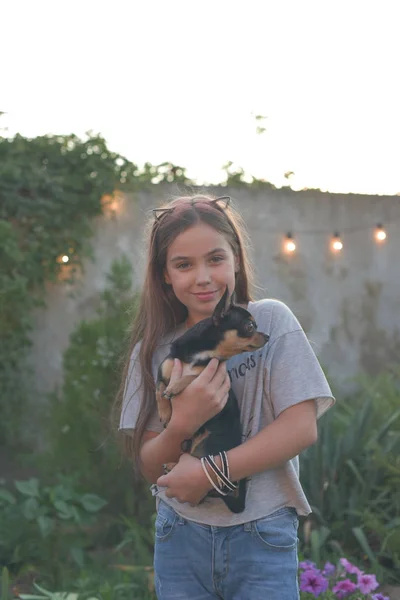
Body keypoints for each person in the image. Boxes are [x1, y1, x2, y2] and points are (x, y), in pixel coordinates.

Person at [117, 194, 335, 600]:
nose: (203, 277)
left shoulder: (268, 323)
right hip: (179, 535)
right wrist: (182, 422)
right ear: (164, 274)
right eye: (184, 264)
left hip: (262, 533)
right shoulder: (153, 351)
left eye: (215, 259)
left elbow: (301, 428)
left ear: (235, 258)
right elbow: (149, 464)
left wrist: (208, 473)